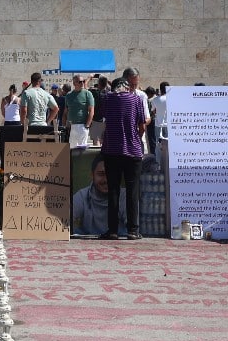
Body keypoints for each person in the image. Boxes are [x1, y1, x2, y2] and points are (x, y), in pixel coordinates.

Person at [98, 72, 149, 239]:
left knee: (113, 190)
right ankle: (133, 230)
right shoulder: (136, 99)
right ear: (127, 87)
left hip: (111, 150)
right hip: (132, 151)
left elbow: (103, 115)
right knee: (132, 191)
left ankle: (112, 230)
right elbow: (142, 125)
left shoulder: (107, 98)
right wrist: (135, 135)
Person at [72, 154, 126, 238]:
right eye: (101, 174)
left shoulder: (124, 196)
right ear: (92, 175)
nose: (106, 180)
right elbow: (63, 219)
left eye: (110, 174)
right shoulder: (83, 196)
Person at [20, 72, 59, 138]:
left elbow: (24, 110)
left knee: (29, 147)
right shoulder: (46, 94)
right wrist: (48, 121)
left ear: (31, 81)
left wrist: (23, 123)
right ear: (40, 81)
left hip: (30, 127)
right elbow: (56, 109)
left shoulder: (26, 93)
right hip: (43, 126)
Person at [61, 74, 95, 149]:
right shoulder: (68, 96)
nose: (82, 83)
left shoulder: (87, 94)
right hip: (71, 126)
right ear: (74, 83)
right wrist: (64, 126)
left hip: (82, 125)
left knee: (81, 151)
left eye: (83, 81)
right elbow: (65, 111)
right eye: (80, 81)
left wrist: (87, 125)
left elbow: (91, 110)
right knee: (71, 149)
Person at [149, 82, 170, 154]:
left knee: (158, 144)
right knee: (169, 145)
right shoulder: (172, 99)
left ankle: (158, 161)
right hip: (169, 125)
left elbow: (153, 111)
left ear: (160, 89)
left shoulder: (155, 100)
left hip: (158, 124)